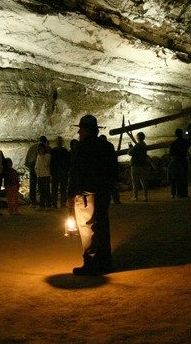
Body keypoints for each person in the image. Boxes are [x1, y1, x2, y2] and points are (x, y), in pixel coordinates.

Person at [68, 114, 118, 276]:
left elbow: (76, 172)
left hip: (86, 193)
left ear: (86, 130)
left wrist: (71, 194)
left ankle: (91, 262)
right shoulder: (107, 147)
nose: (79, 133)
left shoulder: (82, 148)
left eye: (81, 129)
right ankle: (105, 262)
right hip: (103, 192)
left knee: (87, 227)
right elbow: (114, 171)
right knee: (102, 225)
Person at [25, 136, 48, 207]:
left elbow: (27, 159)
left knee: (32, 184)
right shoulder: (44, 146)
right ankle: (43, 201)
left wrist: (29, 166)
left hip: (32, 165)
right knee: (42, 184)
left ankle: (33, 201)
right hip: (40, 166)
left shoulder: (32, 147)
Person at [128, 132, 149, 201]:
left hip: (135, 165)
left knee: (135, 182)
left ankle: (135, 196)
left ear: (138, 137)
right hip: (143, 165)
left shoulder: (138, 145)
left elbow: (130, 153)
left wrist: (130, 147)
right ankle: (145, 196)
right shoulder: (144, 145)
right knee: (144, 182)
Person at [50, 137, 70, 208]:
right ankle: (54, 203)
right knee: (55, 189)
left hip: (63, 172)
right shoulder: (54, 151)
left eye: (60, 141)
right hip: (56, 172)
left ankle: (63, 203)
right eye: (58, 141)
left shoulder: (64, 151)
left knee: (63, 189)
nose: (59, 142)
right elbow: (51, 162)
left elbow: (68, 162)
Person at [169, 128, 190, 198]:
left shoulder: (174, 144)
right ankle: (184, 193)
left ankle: (179, 193)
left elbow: (171, 154)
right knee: (184, 178)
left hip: (177, 162)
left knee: (178, 179)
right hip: (183, 161)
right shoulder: (186, 142)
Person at [35, 143, 52, 208]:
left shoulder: (48, 155)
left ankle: (48, 205)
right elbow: (36, 165)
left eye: (42, 148)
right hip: (40, 175)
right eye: (39, 149)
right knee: (41, 191)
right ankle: (41, 205)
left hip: (46, 175)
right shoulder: (38, 156)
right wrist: (37, 172)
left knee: (46, 191)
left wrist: (42, 156)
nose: (41, 150)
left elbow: (46, 164)